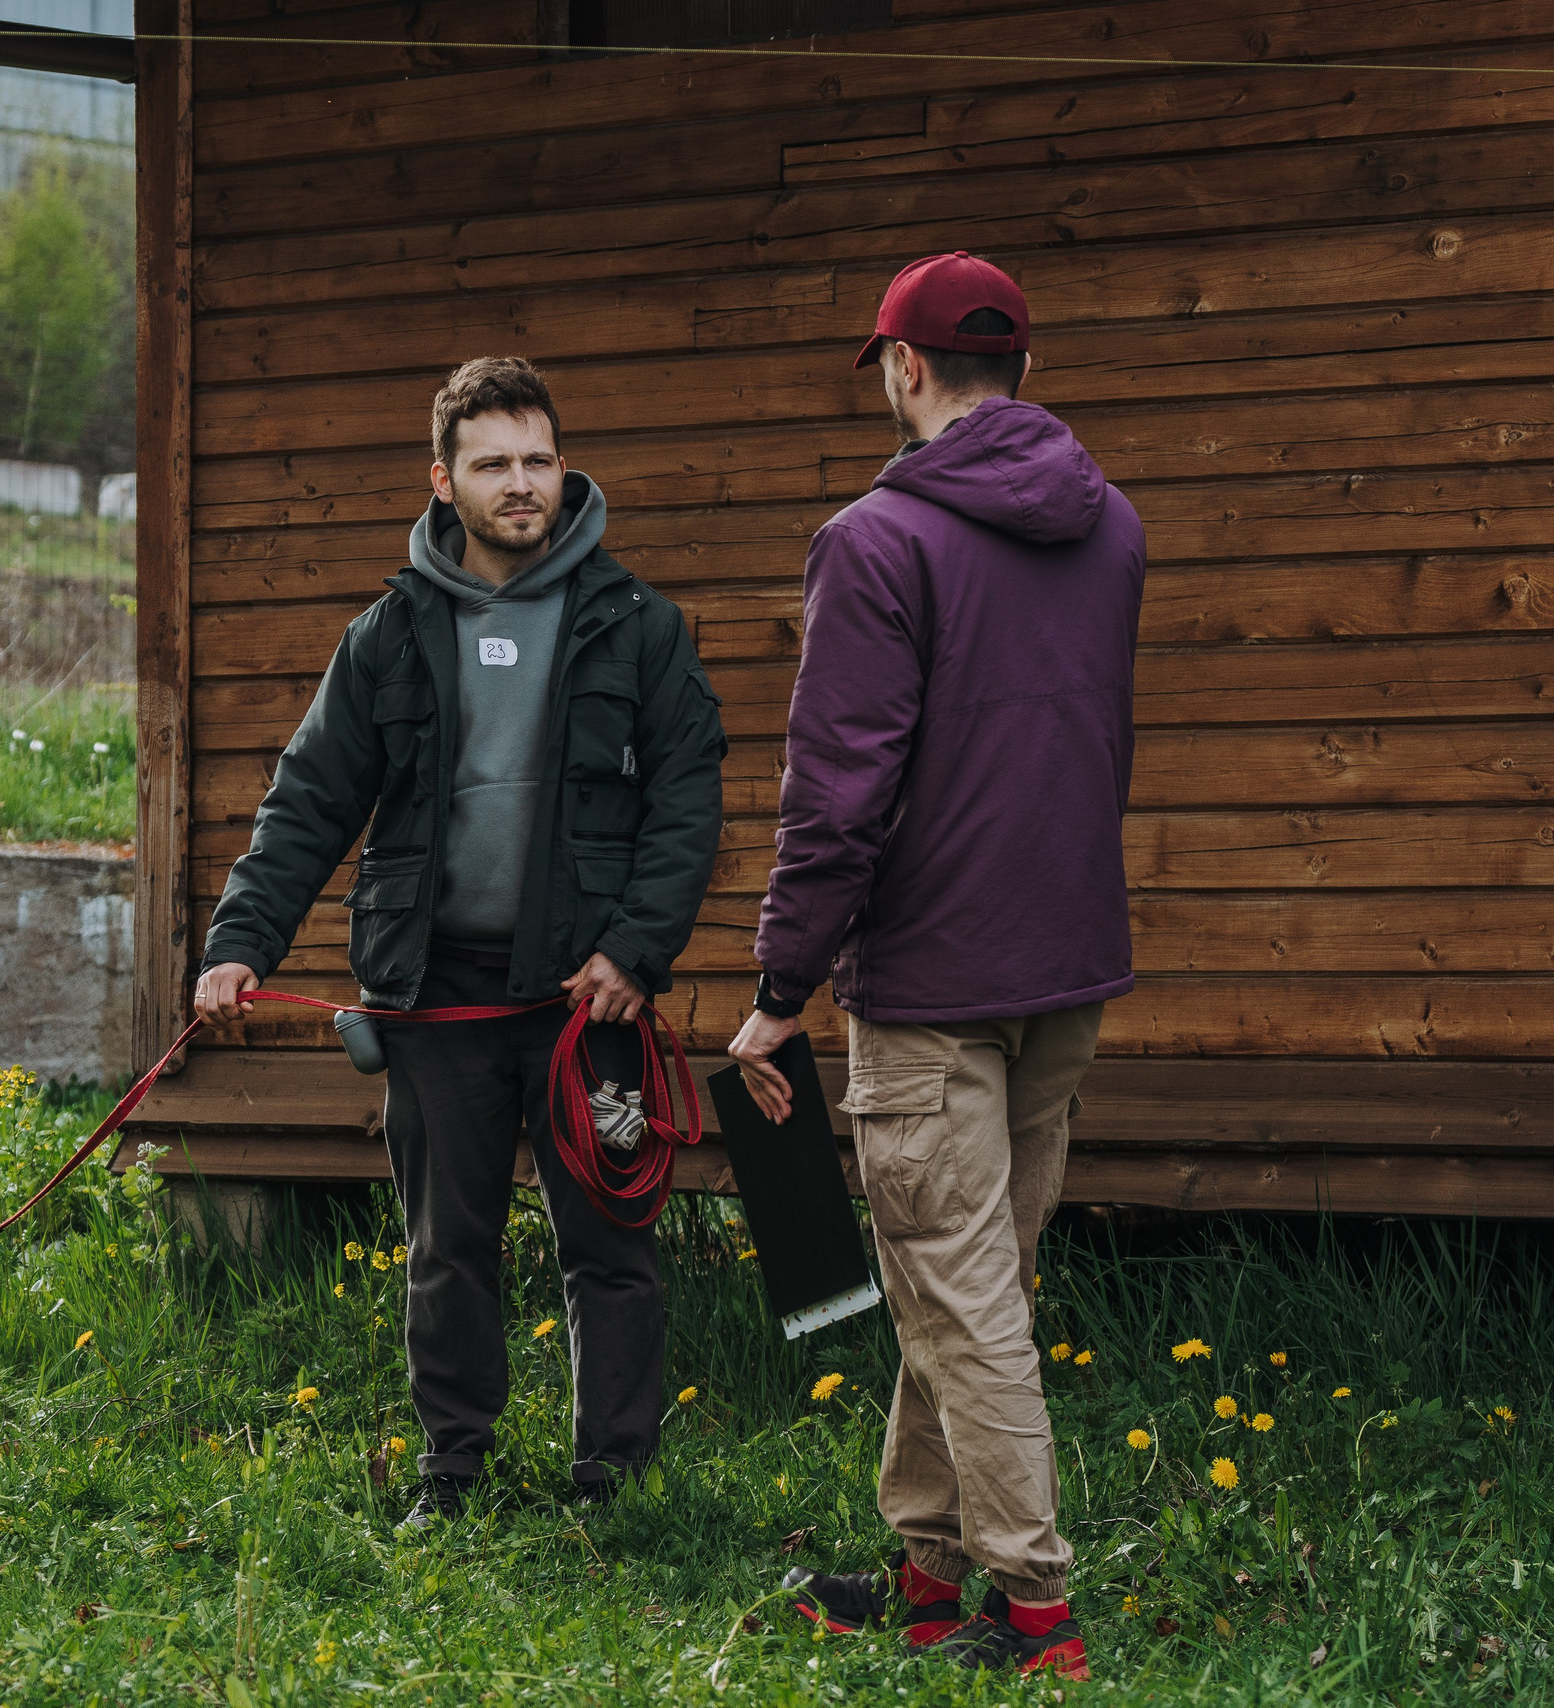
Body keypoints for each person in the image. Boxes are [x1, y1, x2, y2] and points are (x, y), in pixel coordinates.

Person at [194, 357, 728, 1531]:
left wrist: (637, 953)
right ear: (445, 479)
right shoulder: (389, 633)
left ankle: (615, 1475)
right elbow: (309, 799)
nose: (522, 483)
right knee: (447, 1247)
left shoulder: (639, 629)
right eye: (493, 463)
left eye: (538, 459)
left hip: (590, 1000)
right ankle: (454, 1466)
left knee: (613, 1244)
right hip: (434, 992)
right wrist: (241, 940)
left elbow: (689, 803)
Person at [725, 253, 1146, 1680]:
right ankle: (923, 1569)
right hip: (1068, 963)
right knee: (969, 1281)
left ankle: (1035, 1613)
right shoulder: (1114, 533)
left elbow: (834, 796)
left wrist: (782, 992)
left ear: (905, 369)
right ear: (1019, 368)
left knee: (959, 1289)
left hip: (931, 980)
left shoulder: (875, 542)